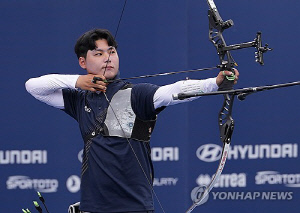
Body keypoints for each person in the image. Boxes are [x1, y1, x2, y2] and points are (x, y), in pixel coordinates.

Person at [25, 28, 239, 213]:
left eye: (112, 52)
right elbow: (34, 86)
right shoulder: (79, 100)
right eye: (98, 53)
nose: (108, 58)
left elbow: (173, 92)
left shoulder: (137, 95)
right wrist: (77, 81)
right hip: (93, 207)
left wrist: (214, 83)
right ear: (83, 62)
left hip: (134, 206)